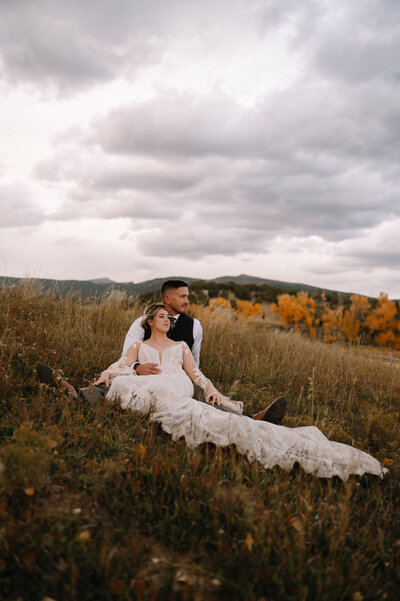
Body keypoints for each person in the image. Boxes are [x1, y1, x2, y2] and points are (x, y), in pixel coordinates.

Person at [93, 304, 387, 480]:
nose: (167, 320)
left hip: (175, 384)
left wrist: (213, 391)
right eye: (161, 316)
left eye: (168, 317)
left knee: (200, 411)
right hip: (149, 382)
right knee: (126, 385)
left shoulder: (180, 346)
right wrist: (120, 372)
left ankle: (249, 423)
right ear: (149, 322)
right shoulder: (139, 346)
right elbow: (119, 364)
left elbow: (196, 374)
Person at [122, 279, 286, 423]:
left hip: (180, 380)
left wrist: (196, 382)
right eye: (182, 297)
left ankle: (251, 419)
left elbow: (195, 362)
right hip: (147, 379)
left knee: (205, 391)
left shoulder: (195, 326)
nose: (187, 301)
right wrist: (137, 367)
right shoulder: (142, 323)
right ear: (167, 299)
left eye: (188, 296)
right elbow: (126, 356)